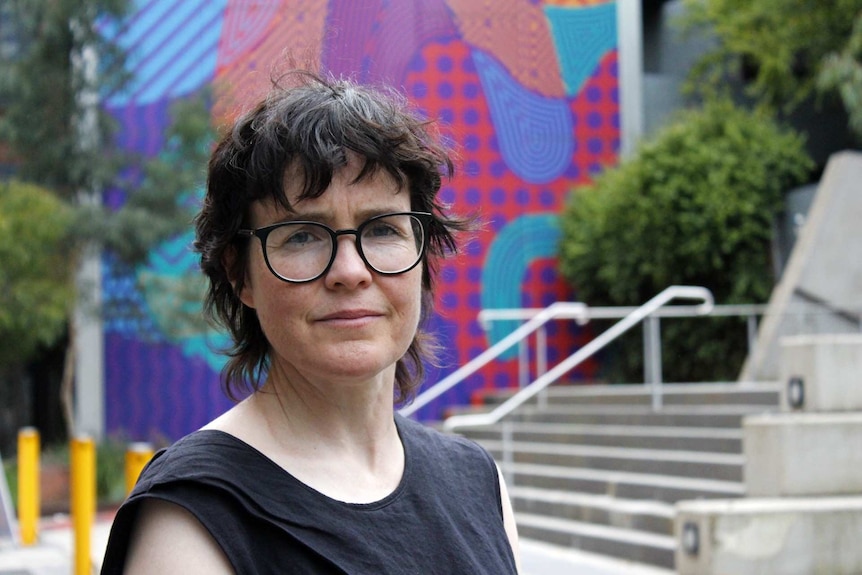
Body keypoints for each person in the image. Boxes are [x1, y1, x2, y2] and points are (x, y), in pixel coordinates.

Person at [100, 70, 521, 574]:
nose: (350, 271)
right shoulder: (193, 521)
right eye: (302, 236)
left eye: (384, 228)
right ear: (241, 275)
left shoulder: (478, 481)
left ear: (424, 254)